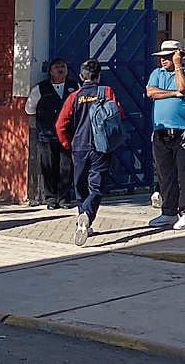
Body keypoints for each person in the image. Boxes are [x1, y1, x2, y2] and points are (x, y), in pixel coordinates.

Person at [56, 59, 125, 246]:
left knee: (80, 186)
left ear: (81, 76)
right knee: (96, 186)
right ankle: (87, 214)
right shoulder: (107, 92)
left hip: (79, 147)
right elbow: (119, 114)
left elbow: (61, 124)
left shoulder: (74, 96)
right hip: (101, 147)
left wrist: (66, 143)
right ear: (99, 76)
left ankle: (82, 220)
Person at [146, 40, 185, 230]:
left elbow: (184, 88)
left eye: (168, 57)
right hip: (160, 131)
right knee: (165, 174)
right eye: (162, 57)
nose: (163, 60)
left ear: (179, 56)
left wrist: (178, 66)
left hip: (183, 130)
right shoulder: (156, 74)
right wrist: (173, 94)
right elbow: (151, 92)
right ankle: (168, 212)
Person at [25, 57, 78, 209]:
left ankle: (64, 199)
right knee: (49, 167)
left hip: (68, 134)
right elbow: (29, 109)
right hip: (47, 135)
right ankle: (50, 199)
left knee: (66, 167)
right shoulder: (40, 89)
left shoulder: (74, 87)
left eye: (63, 66)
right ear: (50, 71)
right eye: (57, 67)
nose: (61, 69)